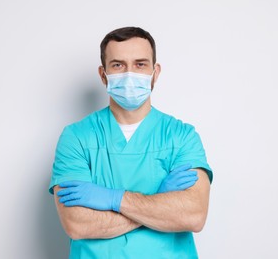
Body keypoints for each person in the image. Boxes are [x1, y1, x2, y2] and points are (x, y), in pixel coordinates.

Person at [49, 26, 213, 259]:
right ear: (103, 74)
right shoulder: (76, 137)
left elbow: (193, 216)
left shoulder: (181, 136)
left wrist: (112, 199)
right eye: (118, 65)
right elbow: (77, 224)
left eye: (140, 64)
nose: (129, 74)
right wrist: (158, 202)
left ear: (155, 72)